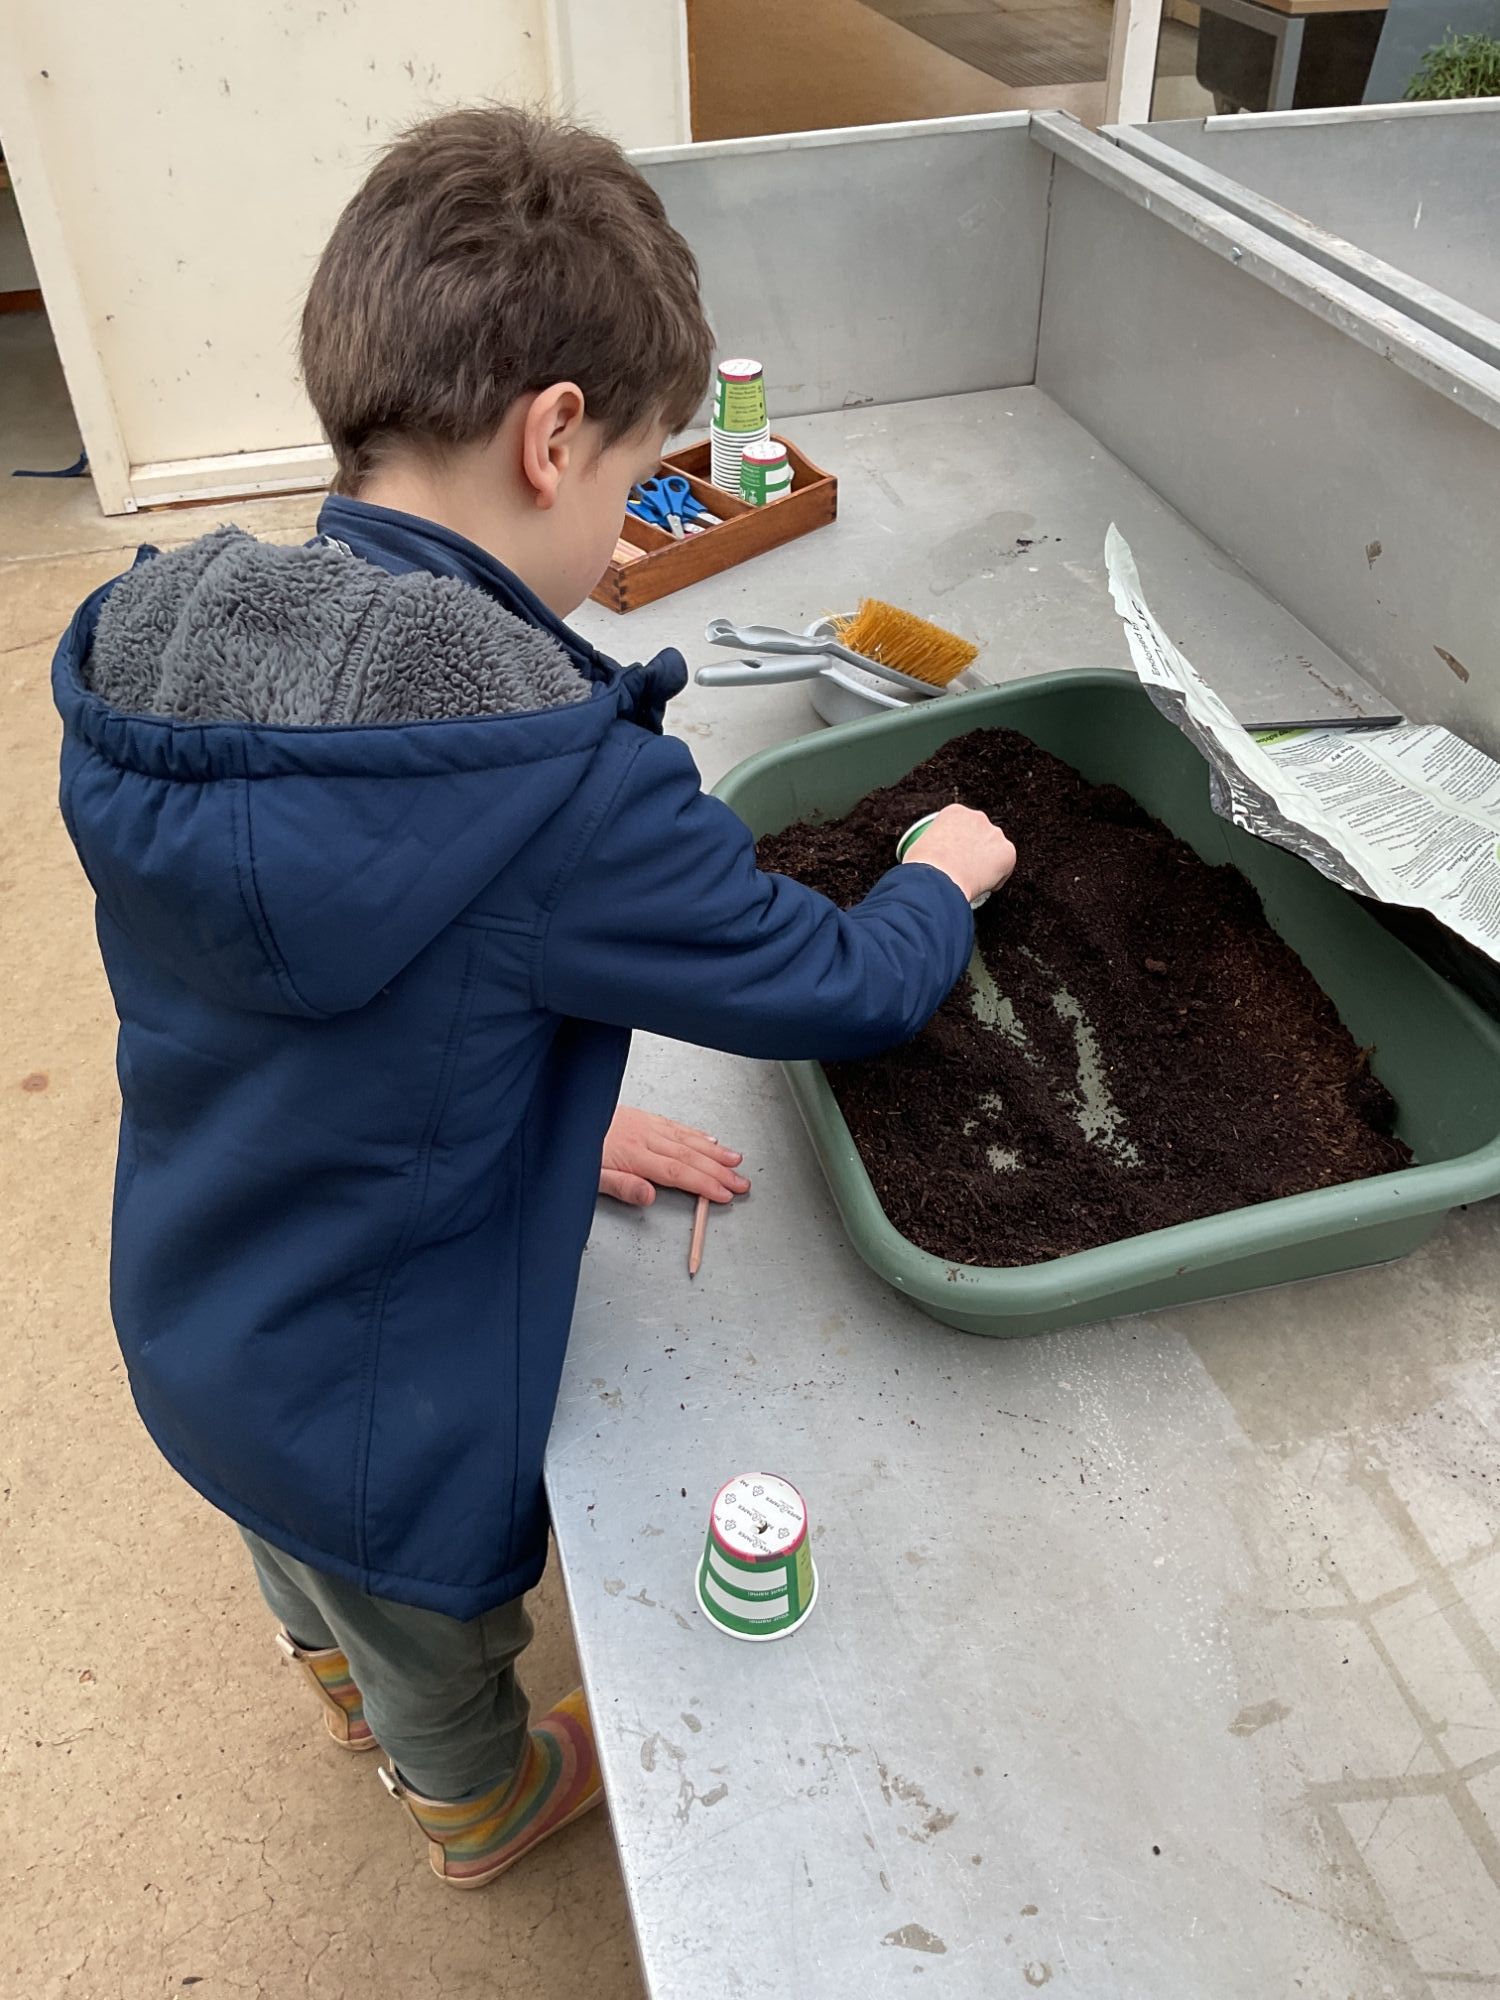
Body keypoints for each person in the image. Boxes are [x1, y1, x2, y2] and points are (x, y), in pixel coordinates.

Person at [53, 105, 1015, 1890]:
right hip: (381, 1425)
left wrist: (542, 1116)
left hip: (198, 1321)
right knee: (439, 1643)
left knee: (301, 1566)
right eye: (649, 475)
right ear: (555, 437)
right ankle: (471, 1799)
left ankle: (340, 1684)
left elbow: (320, 993)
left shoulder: (161, 660)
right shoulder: (550, 782)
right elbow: (833, 985)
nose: (632, 530)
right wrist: (936, 876)